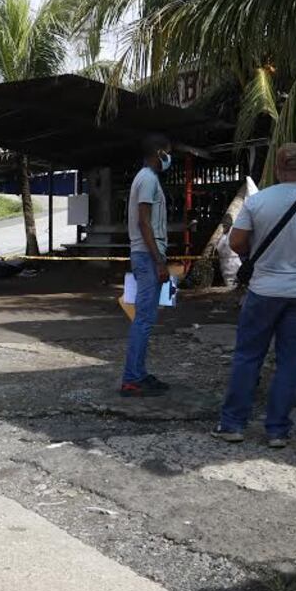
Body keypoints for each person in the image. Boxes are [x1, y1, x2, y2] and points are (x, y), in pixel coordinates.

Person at [216, 144, 296, 448]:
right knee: (290, 362)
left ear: (276, 167)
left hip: (264, 291)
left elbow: (235, 242)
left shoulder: (258, 202)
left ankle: (233, 425)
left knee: (248, 357)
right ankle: (277, 431)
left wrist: (255, 253)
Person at [120, 133, 173, 397]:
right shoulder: (148, 180)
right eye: (168, 152)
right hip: (147, 255)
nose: (169, 158)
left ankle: (137, 374)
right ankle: (132, 378)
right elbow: (144, 222)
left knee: (146, 318)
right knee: (143, 319)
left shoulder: (146, 179)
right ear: (160, 153)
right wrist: (159, 260)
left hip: (146, 254)